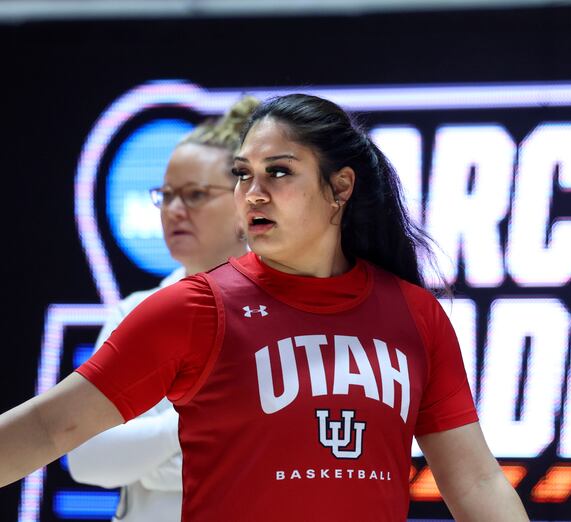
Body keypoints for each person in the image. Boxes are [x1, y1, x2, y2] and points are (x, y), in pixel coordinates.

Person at [0, 94, 529, 521]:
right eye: (241, 173)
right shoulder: (192, 308)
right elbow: (52, 429)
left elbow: (477, 481)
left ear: (340, 186)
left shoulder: (416, 315)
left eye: (278, 172)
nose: (253, 193)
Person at [65, 96, 258, 521]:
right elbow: (86, 458)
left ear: (247, 202)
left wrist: (151, 456)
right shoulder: (134, 313)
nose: (173, 211)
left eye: (194, 195)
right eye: (166, 195)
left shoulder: (286, 318)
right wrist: (192, 425)